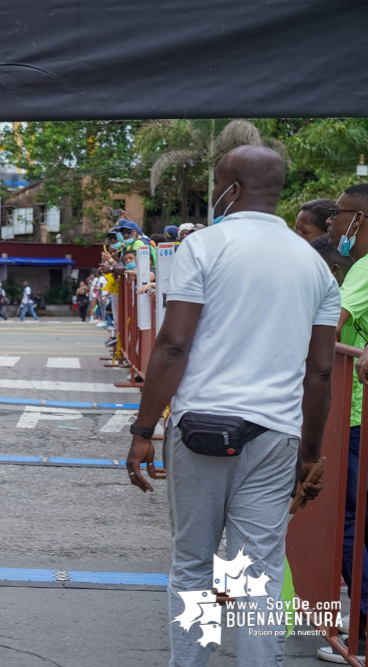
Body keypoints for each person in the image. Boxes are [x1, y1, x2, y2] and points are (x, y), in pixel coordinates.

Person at [126, 145, 338, 665]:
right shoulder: (314, 266)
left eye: (216, 184)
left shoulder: (204, 247)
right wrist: (308, 453)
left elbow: (174, 345)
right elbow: (321, 370)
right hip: (275, 436)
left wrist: (142, 430)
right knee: (260, 572)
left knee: (193, 565)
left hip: (200, 429)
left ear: (232, 190)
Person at [327, 185, 368, 659]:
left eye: (338, 215)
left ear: (357, 220)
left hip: (356, 417)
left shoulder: (362, 269)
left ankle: (360, 627)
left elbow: (331, 326)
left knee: (349, 522)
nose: (333, 223)